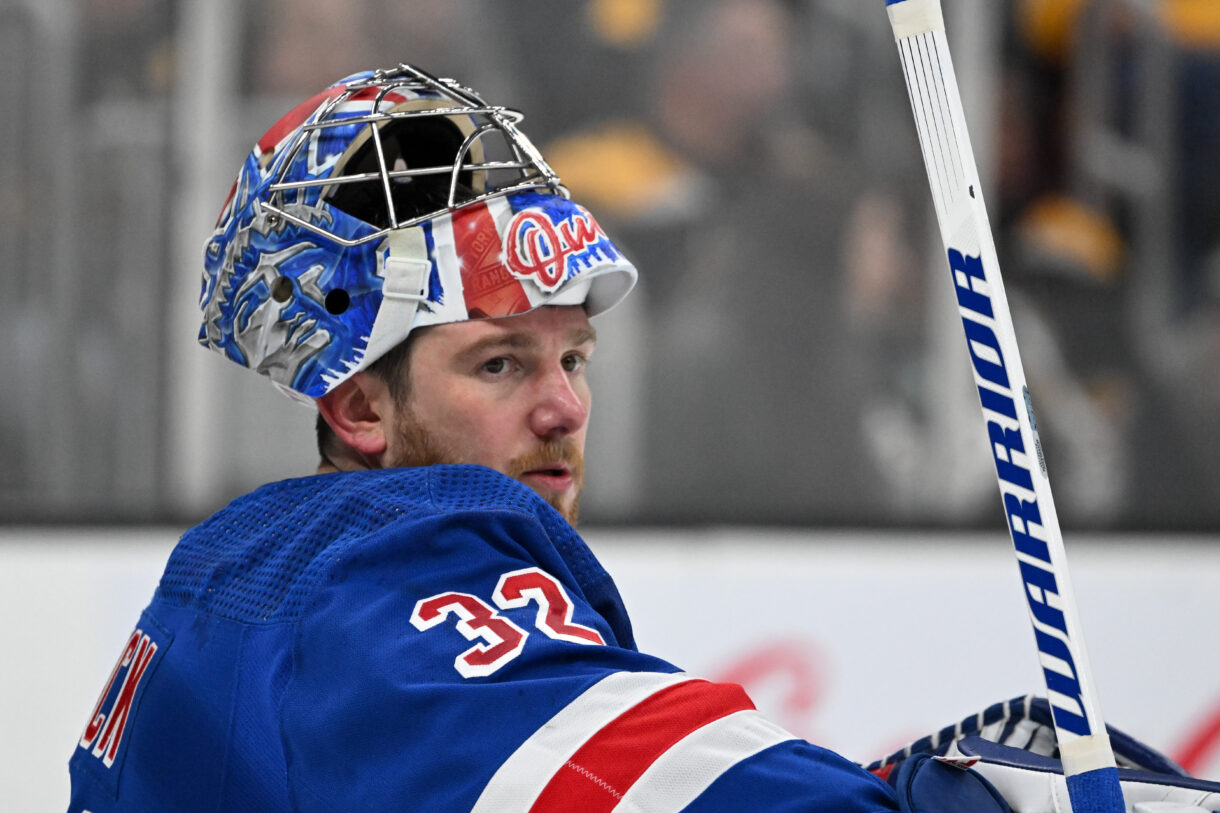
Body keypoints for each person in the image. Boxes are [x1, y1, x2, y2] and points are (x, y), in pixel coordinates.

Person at [65, 62, 1210, 812]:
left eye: (573, 359)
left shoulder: (232, 586)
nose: (562, 408)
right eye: (500, 362)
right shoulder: (385, 612)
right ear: (356, 407)